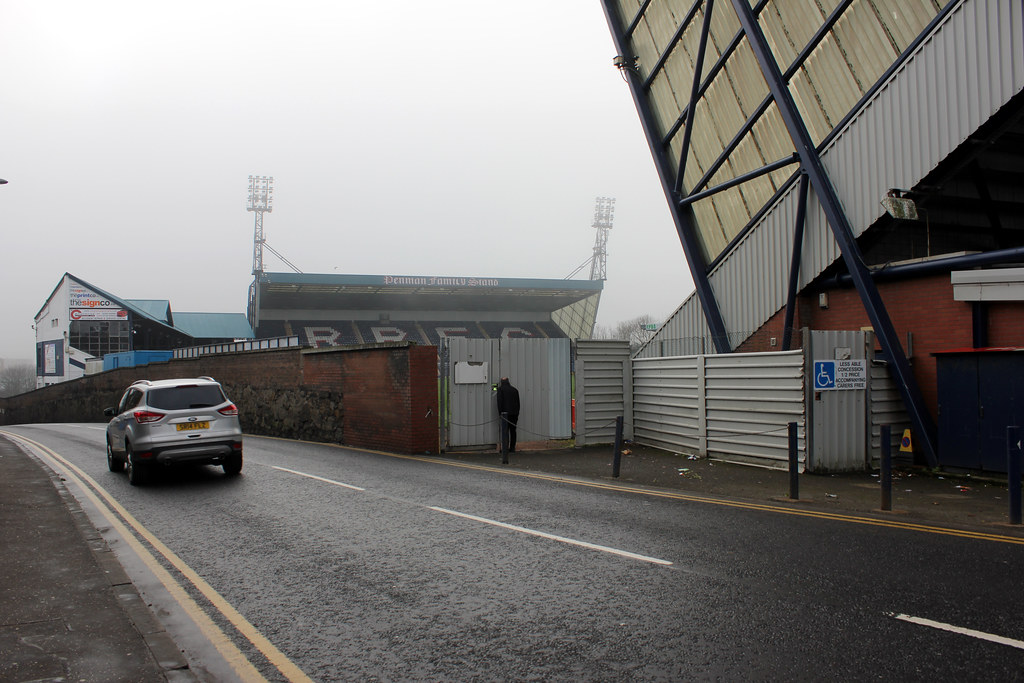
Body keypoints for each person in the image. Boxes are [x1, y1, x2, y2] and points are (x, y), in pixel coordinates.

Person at [495, 376, 520, 461]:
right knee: (513, 431)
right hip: (514, 413)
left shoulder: (500, 389)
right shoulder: (515, 390)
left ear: (502, 382)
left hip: (505, 414)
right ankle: (512, 448)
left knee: (505, 431)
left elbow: (499, 402)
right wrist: (517, 412)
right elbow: (518, 403)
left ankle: (505, 449)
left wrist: (500, 413)